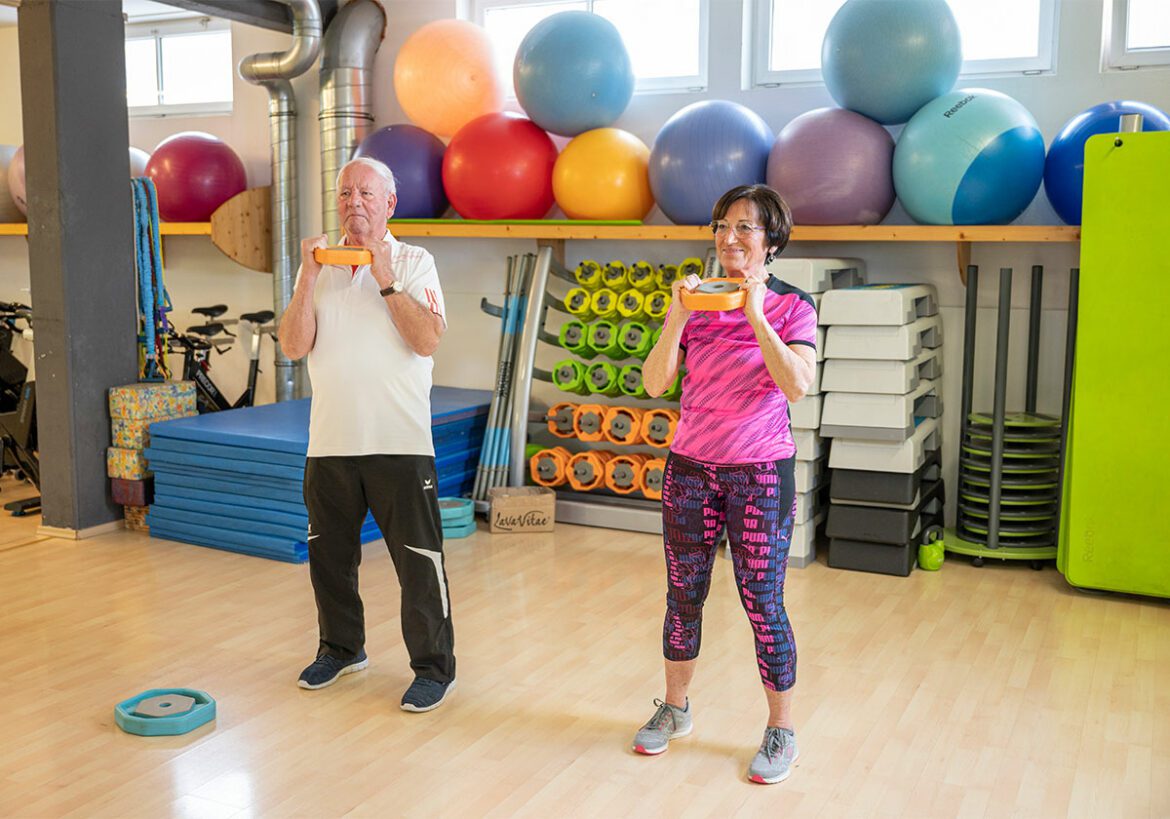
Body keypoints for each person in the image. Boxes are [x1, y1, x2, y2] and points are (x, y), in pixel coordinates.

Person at [633, 184, 817, 784]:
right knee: (682, 596)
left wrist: (756, 311)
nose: (730, 238)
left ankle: (781, 728)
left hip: (760, 473)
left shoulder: (793, 306)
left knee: (762, 602)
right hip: (690, 470)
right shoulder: (696, 302)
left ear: (772, 241)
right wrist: (676, 315)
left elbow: (797, 385)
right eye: (722, 226)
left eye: (745, 227)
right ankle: (676, 709)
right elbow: (656, 383)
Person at [278, 156, 456, 712]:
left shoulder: (415, 261)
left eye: (366, 194)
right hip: (330, 443)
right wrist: (307, 275)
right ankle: (341, 648)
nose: (354, 203)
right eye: (346, 193)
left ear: (389, 204)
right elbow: (292, 345)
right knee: (329, 560)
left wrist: (384, 276)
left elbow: (427, 340)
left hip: (399, 443)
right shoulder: (320, 266)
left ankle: (433, 668)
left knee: (418, 564)